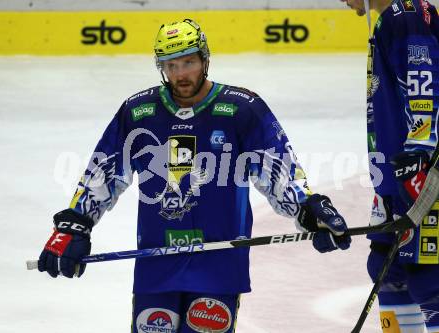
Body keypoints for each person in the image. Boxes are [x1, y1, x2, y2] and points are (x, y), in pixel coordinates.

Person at [37, 19, 351, 332]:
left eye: (188, 62)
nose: (180, 74)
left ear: (205, 59)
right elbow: (102, 173)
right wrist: (76, 224)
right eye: (171, 65)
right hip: (157, 261)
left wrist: (308, 208)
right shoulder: (138, 111)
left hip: (219, 264)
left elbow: (279, 174)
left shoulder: (243, 109)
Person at [341, 0, 439, 332]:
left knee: (430, 278)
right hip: (395, 181)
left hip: (422, 175)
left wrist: (418, 154)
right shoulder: (392, 18)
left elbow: (423, 82)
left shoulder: (405, 16)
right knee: (387, 265)